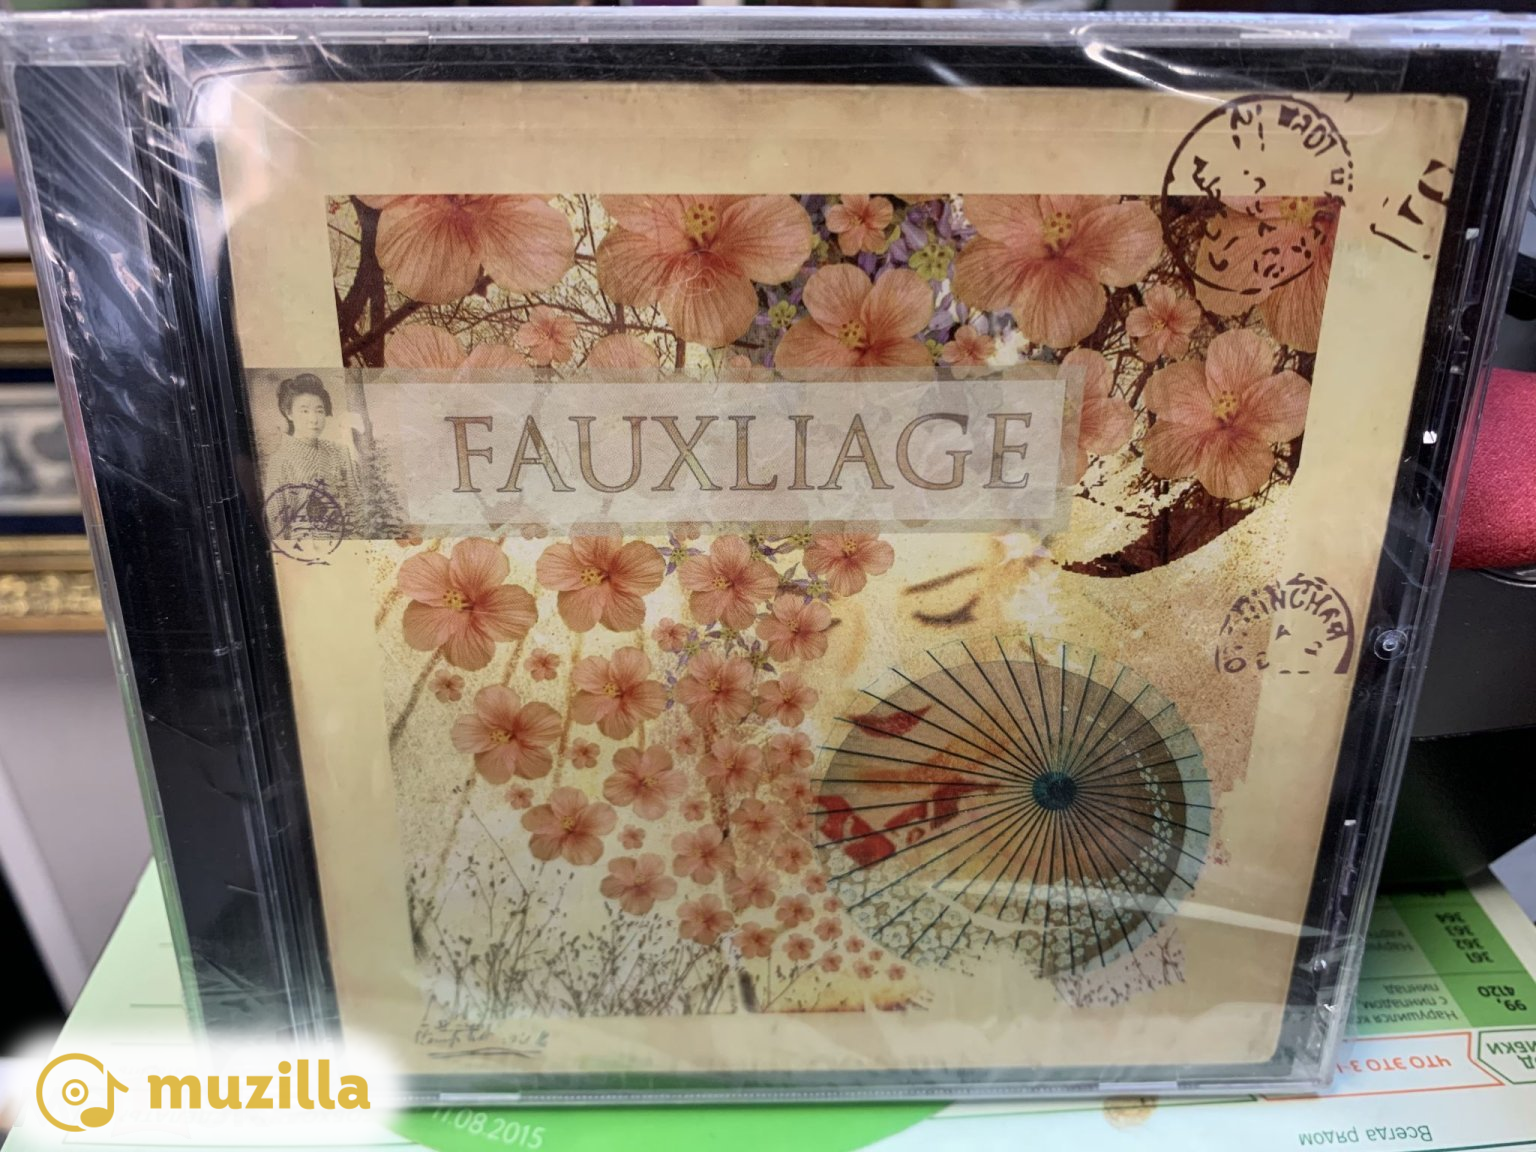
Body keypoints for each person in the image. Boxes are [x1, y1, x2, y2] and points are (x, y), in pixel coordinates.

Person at [263, 374, 358, 540]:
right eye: (304, 411)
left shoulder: (340, 451)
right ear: (289, 413)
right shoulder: (279, 461)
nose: (313, 419)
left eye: (319, 411)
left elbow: (356, 503)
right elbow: (276, 522)